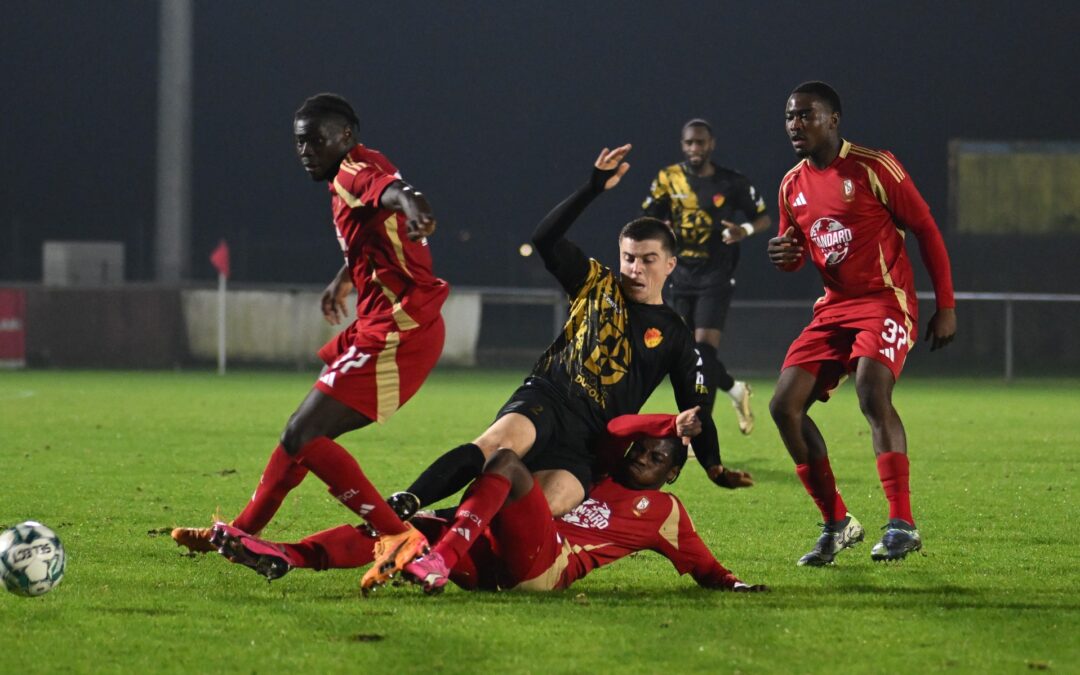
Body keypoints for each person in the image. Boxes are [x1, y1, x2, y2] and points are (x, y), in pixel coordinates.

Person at [387, 144, 753, 550]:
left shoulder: (676, 334)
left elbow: (695, 410)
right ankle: (406, 502)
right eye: (629, 258)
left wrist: (714, 465)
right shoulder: (594, 281)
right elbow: (545, 238)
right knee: (496, 445)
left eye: (648, 259)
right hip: (549, 397)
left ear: (670, 265)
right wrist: (593, 188)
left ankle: (432, 527)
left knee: (542, 507)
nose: (635, 269)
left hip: (591, 442)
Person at [171, 93, 450, 592]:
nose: (304, 151)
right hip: (387, 323)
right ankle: (240, 535)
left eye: (314, 140)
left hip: (400, 328)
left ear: (346, 137)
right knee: (298, 438)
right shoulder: (364, 163)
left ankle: (396, 536)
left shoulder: (352, 172)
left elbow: (394, 195)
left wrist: (417, 208)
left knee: (303, 433)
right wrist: (344, 278)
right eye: (299, 142)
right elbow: (377, 219)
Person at [209, 412, 767, 595]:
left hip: (546, 565)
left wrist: (736, 585)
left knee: (502, 463)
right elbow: (619, 425)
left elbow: (704, 568)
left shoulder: (666, 513)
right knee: (410, 524)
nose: (640, 452)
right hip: (496, 552)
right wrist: (666, 422)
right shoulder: (598, 468)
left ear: (673, 472)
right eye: (640, 448)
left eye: (654, 456)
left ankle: (439, 558)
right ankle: (284, 553)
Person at [767, 81, 957, 565]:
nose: (796, 125)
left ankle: (902, 524)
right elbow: (797, 253)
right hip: (833, 308)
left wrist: (947, 305)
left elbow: (926, 228)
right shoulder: (791, 184)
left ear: (833, 119)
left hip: (885, 301)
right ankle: (836, 522)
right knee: (784, 406)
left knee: (872, 389)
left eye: (806, 115)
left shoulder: (874, 166)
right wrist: (783, 256)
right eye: (790, 116)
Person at [642, 119, 771, 435]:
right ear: (682, 145)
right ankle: (735, 389)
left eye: (700, 143)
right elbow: (647, 214)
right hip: (680, 274)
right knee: (684, 357)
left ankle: (698, 431)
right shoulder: (667, 179)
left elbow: (763, 217)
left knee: (704, 352)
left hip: (716, 275)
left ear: (711, 145)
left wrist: (745, 230)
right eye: (689, 143)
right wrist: (661, 229)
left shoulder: (731, 182)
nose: (694, 149)